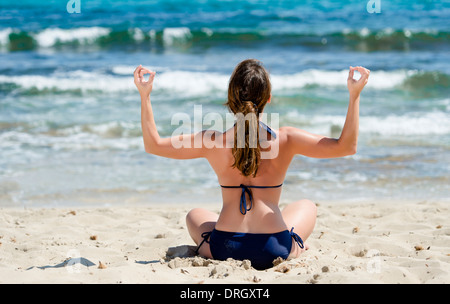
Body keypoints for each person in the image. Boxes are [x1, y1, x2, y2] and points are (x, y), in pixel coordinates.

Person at [134, 59, 370, 270]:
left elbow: (154, 145)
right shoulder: (286, 139)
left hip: (224, 248)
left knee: (194, 215)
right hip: (274, 248)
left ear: (231, 99)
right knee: (307, 206)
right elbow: (346, 146)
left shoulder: (212, 141)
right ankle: (296, 245)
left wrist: (145, 96)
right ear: (268, 98)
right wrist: (354, 95)